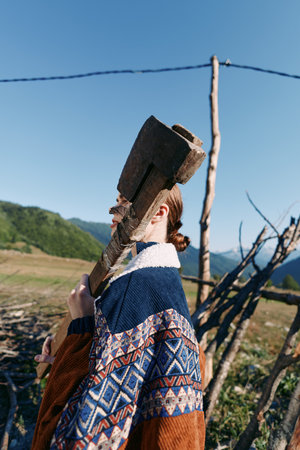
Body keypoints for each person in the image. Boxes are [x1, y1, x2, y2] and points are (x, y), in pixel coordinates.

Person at [32, 185, 206, 449]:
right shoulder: (167, 285)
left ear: (158, 212)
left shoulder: (133, 290)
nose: (112, 209)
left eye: (124, 202)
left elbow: (78, 434)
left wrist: (81, 327)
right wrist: (63, 356)